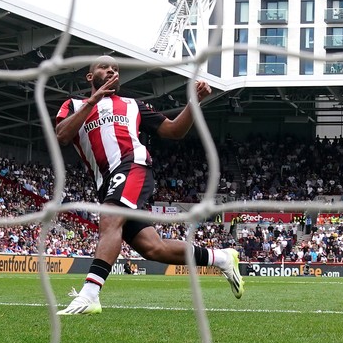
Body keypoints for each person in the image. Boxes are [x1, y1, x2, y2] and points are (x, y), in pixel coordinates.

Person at [54, 56, 244, 315]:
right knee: (153, 248)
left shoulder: (133, 105)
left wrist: (194, 102)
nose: (112, 70)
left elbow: (174, 131)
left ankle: (90, 295)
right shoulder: (74, 105)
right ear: (90, 76)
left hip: (133, 166)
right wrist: (94, 100)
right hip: (106, 180)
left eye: (116, 69)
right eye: (104, 67)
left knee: (110, 219)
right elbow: (62, 135)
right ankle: (221, 258)